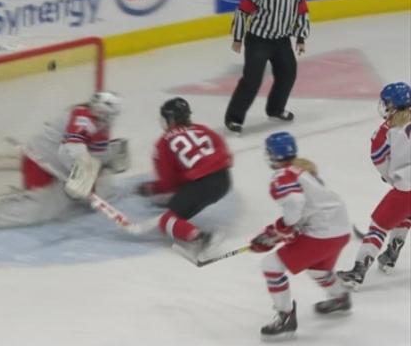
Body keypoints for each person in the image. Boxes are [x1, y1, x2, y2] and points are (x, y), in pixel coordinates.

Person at [0, 91, 129, 232]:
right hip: (41, 164)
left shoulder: (102, 126)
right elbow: (70, 150)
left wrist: (89, 182)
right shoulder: (82, 117)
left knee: (103, 190)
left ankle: (69, 191)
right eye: (107, 113)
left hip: (65, 168)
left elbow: (96, 156)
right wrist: (82, 180)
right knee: (44, 209)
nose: (109, 118)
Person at [249, 131, 351, 339]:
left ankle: (285, 317)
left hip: (322, 233)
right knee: (317, 269)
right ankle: (340, 297)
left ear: (272, 154)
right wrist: (277, 232)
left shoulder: (282, 175)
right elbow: (307, 209)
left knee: (271, 266)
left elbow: (295, 204)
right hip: (340, 229)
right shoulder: (302, 169)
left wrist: (280, 230)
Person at [337, 82, 411, 288]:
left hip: (406, 187)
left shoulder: (386, 130)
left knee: (378, 227)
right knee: (405, 213)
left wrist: (391, 178)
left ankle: (358, 272)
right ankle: (391, 253)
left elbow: (379, 159)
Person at [136, 97, 232, 252]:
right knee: (182, 206)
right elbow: (225, 153)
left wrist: (153, 188)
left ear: (170, 119)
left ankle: (200, 238)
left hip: (202, 185)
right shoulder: (204, 129)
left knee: (167, 221)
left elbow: (170, 182)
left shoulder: (163, 143)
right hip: (224, 180)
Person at [224, 0, 310, 135]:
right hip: (258, 41)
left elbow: (301, 11)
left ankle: (275, 109)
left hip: (282, 40)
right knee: (252, 80)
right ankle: (233, 118)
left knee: (288, 73)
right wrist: (238, 37)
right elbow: (243, 10)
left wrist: (301, 37)